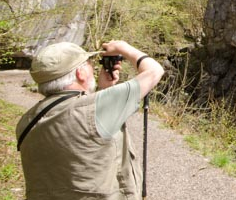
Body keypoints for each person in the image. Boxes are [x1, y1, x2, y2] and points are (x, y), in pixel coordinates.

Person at [16, 40, 164, 200]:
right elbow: (154, 71)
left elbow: (82, 151)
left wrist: (104, 90)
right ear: (80, 73)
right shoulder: (95, 109)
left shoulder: (27, 121)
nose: (93, 67)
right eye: (88, 64)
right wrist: (123, 47)